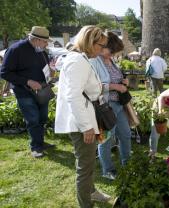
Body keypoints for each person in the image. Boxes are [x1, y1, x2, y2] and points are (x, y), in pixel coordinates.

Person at [54, 25, 112, 207]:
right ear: (89, 42)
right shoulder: (78, 61)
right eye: (100, 46)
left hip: (86, 117)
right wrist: (86, 126)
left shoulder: (81, 59)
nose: (103, 50)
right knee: (84, 167)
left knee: (87, 163)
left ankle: (92, 192)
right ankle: (86, 204)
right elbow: (74, 96)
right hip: (82, 122)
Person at [0, 26, 55, 158]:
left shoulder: (41, 50)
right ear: (36, 39)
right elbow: (4, 73)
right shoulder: (15, 49)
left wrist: (50, 71)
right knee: (33, 119)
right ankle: (36, 147)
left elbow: (45, 67)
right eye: (45, 41)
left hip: (41, 90)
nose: (46, 44)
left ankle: (40, 142)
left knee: (42, 117)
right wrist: (28, 81)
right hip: (24, 91)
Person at [89, 31, 131, 180]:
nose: (112, 55)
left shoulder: (111, 61)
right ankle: (108, 170)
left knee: (125, 134)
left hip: (118, 105)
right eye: (111, 51)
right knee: (106, 139)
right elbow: (93, 86)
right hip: (105, 106)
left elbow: (117, 76)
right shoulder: (94, 61)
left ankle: (127, 163)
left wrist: (123, 81)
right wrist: (115, 86)